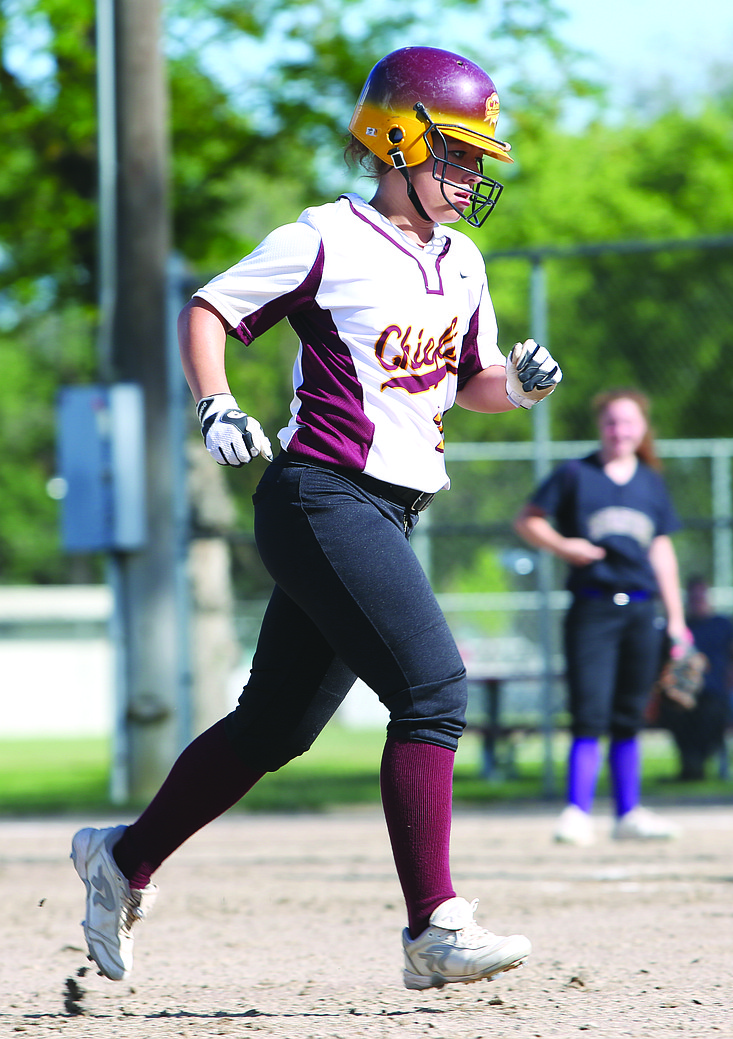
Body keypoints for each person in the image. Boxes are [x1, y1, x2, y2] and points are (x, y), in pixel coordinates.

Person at [70, 46, 563, 992]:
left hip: (385, 505)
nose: (471, 176)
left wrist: (524, 385)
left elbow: (473, 384)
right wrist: (215, 401)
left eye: (476, 159)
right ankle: (434, 927)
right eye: (456, 154)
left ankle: (122, 858)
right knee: (433, 691)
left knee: (275, 728)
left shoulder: (462, 258)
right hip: (321, 494)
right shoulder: (326, 236)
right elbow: (209, 309)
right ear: (396, 138)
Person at [513, 388, 688, 845]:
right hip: (592, 607)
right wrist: (562, 545)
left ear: (643, 429)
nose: (620, 431)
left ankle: (628, 813)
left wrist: (677, 617)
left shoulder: (651, 481)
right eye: (612, 422)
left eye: (629, 422)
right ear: (600, 427)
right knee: (589, 711)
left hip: (642, 609)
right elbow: (528, 519)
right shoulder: (576, 474)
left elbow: (662, 548)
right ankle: (577, 811)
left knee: (630, 715)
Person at [659, 577, 733, 780]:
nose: (698, 600)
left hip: (714, 692)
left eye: (701, 594)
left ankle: (696, 765)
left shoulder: (723, 624)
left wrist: (731, 684)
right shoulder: (679, 628)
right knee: (675, 710)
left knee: (711, 712)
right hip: (684, 692)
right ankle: (691, 764)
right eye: (693, 596)